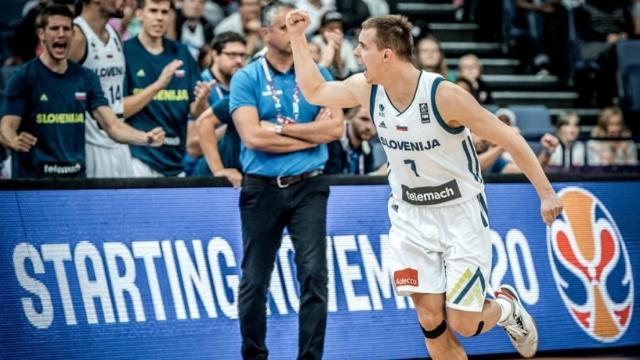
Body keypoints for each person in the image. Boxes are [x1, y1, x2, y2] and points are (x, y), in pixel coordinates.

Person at [286, 10, 563, 359]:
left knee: (463, 322)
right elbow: (314, 90)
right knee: (430, 318)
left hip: (459, 213)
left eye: (363, 47)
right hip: (410, 215)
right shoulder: (367, 88)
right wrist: (296, 37)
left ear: (386, 54)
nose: (357, 54)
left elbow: (510, 137)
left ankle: (506, 307)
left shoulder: (443, 95)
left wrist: (546, 193)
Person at [229, 3, 343, 359]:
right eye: (284, 27)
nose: (293, 34)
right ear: (265, 34)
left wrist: (279, 128)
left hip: (309, 185)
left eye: (298, 27)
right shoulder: (246, 77)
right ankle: (254, 355)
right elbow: (252, 138)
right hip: (261, 187)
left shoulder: (318, 74)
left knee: (314, 276)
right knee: (254, 281)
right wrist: (312, 135)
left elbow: (335, 129)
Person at [0, 4, 164, 179]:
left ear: (73, 33)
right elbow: (6, 128)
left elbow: (112, 125)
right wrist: (14, 141)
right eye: (55, 28)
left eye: (66, 29)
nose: (61, 34)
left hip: (76, 178)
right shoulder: (23, 78)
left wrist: (146, 138)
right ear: (42, 35)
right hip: (36, 179)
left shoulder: (87, 78)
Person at [123, 0, 209, 177]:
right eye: (153, 11)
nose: (159, 18)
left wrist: (201, 101)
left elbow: (197, 113)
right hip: (138, 157)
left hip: (175, 158)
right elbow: (119, 110)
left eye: (164, 12)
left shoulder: (182, 52)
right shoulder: (125, 52)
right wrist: (157, 86)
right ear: (139, 14)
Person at [67, 0, 134, 178]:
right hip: (90, 145)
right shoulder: (76, 36)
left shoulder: (114, 33)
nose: (124, 1)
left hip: (119, 143)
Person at [185, 31, 247, 176]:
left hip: (235, 172)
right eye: (231, 55)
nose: (239, 60)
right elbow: (193, 146)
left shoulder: (243, 87)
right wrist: (241, 125)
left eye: (242, 55)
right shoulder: (199, 86)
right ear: (215, 55)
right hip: (203, 175)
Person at [325, 105, 387, 175]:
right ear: (349, 117)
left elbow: (367, 181)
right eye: (364, 119)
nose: (369, 127)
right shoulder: (333, 141)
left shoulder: (367, 147)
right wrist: (377, 174)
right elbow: (334, 179)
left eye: (375, 122)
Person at [310, 10, 360, 80]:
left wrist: (337, 55)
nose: (335, 32)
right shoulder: (314, 43)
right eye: (331, 29)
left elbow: (352, 74)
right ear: (321, 29)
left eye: (339, 28)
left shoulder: (346, 44)